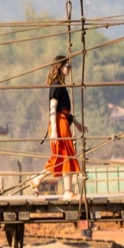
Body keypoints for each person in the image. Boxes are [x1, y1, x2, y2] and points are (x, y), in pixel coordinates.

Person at [42, 54, 85, 193]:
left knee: (62, 155)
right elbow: (53, 108)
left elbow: (64, 111)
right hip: (59, 123)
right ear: (59, 67)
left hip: (63, 121)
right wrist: (54, 130)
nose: (69, 69)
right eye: (67, 66)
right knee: (65, 155)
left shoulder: (61, 85)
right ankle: (67, 191)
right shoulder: (56, 85)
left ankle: (36, 179)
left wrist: (77, 123)